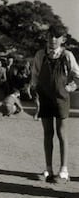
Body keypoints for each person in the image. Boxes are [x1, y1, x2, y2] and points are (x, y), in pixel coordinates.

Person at [30, 25, 79, 183]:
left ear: (63, 39)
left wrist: (68, 88)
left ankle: (63, 170)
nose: (52, 39)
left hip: (61, 99)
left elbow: (77, 76)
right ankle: (48, 169)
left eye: (57, 37)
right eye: (50, 36)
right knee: (47, 134)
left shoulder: (67, 55)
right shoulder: (40, 55)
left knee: (61, 134)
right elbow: (35, 76)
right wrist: (34, 91)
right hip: (45, 98)